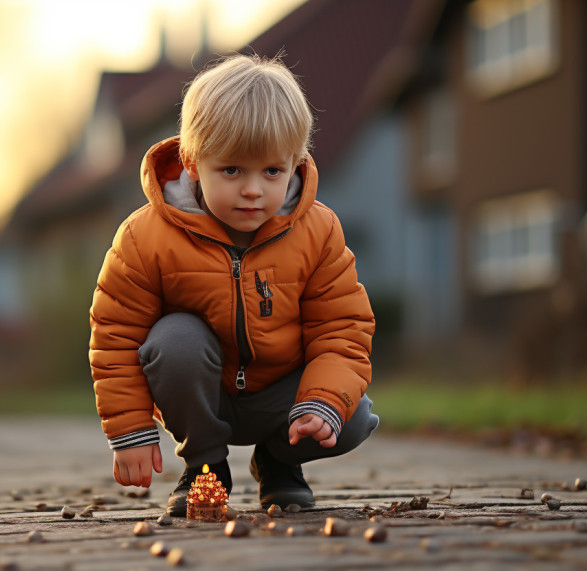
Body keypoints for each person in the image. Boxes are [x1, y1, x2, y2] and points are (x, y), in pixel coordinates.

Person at [88, 53, 378, 515]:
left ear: (295, 163)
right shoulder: (145, 238)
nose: (253, 190)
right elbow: (115, 335)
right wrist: (130, 431)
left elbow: (342, 329)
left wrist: (320, 402)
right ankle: (205, 469)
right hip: (202, 394)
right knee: (174, 339)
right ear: (192, 161)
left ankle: (280, 463)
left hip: (281, 396)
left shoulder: (318, 232)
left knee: (352, 414)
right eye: (231, 170)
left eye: (272, 171)